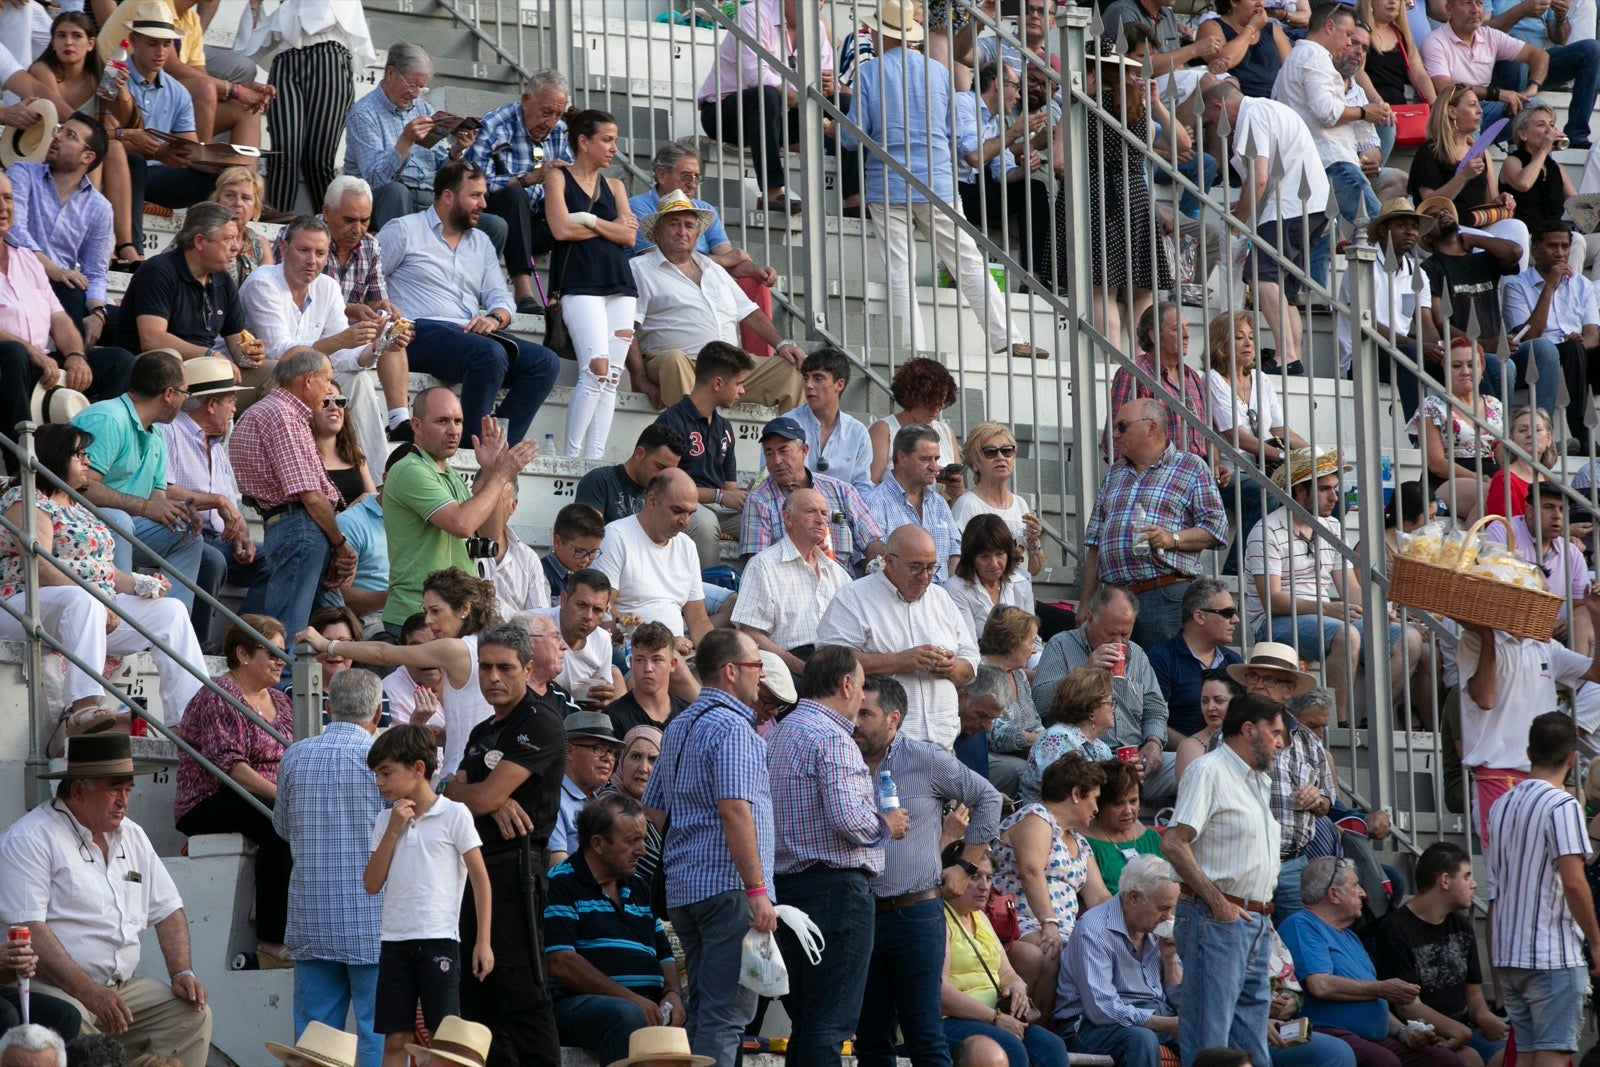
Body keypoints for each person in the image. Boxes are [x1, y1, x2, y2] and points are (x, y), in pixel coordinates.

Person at [840, 3, 1040, 360]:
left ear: (881, 32)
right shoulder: (939, 72)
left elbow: (855, 138)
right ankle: (1008, 336)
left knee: (899, 268)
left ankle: (913, 351)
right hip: (938, 180)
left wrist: (831, 125)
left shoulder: (870, 74)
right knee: (967, 260)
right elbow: (951, 131)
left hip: (887, 181)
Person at [0, 733, 212, 1067]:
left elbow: (168, 908)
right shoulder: (30, 837)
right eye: (114, 788)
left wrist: (182, 971)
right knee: (71, 1019)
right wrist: (90, 993)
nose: (124, 800)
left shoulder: (133, 834)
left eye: (128, 788)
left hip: (122, 987)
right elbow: (31, 930)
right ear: (79, 790)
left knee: (191, 1013)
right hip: (55, 986)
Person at [0, 421, 206, 744]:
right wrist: (96, 597)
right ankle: (83, 707)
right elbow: (38, 563)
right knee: (82, 602)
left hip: (88, 611)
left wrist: (141, 583)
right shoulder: (25, 496)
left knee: (171, 612)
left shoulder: (79, 505)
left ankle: (192, 720)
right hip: (27, 604)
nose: (87, 461)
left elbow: (103, 570)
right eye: (78, 454)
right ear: (54, 457)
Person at [640, 629, 777, 1067]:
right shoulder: (733, 727)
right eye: (757, 666)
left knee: (704, 1011)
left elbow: (654, 810)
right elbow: (734, 810)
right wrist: (757, 890)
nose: (762, 676)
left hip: (686, 890)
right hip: (728, 890)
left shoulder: (678, 725)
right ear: (731, 671)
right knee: (726, 1015)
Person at [854, 673, 1001, 1067]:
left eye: (866, 713)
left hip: (915, 913)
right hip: (861, 913)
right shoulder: (841, 757)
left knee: (924, 1035)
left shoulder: (925, 758)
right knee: (870, 1037)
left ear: (893, 718)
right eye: (854, 711)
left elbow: (987, 797)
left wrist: (966, 865)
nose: (856, 721)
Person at [439, 619, 568, 1067]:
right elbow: (455, 793)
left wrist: (481, 796)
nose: (493, 677)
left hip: (516, 869)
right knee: (476, 997)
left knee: (522, 991)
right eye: (486, 667)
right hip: (472, 870)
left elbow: (479, 793)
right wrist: (480, 799)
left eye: (505, 668)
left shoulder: (542, 723)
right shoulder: (480, 732)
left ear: (528, 668)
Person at [769, 646, 904, 1067]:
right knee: (829, 1025)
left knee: (808, 1023)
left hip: (787, 889)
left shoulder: (780, 732)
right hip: (836, 893)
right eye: (862, 686)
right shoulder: (833, 738)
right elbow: (851, 821)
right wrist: (887, 824)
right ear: (846, 684)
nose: (862, 696)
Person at [379, 160, 558, 443]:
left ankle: (497, 445)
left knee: (545, 363)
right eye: (475, 196)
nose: (484, 204)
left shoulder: (482, 243)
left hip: (468, 337)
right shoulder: (403, 230)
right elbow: (369, 280)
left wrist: (495, 318)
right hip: (419, 333)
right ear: (448, 196)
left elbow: (500, 297)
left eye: (484, 195)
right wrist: (384, 314)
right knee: (488, 354)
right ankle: (469, 447)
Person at [1245, 447, 1426, 726]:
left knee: (1409, 638)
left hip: (1321, 617)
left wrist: (1378, 611)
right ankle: (1338, 724)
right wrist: (1328, 608)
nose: (1335, 497)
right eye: (1324, 489)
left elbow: (1350, 589)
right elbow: (1272, 601)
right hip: (1275, 621)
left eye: (1335, 488)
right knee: (1347, 635)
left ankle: (1372, 722)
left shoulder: (1332, 527)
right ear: (1300, 492)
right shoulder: (1266, 530)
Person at [1161, 692, 1288, 1067]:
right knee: (1209, 1042)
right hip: (1216, 919)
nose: (1281, 743)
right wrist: (1219, 905)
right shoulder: (1208, 770)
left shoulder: (1257, 780)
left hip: (1254, 921)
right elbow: (1173, 842)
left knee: (1252, 1047)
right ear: (1249, 730)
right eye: (1276, 732)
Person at [273, 668, 386, 1067]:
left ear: (327, 708)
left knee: (314, 1040)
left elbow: (283, 830)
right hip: (372, 922)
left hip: (311, 916)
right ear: (377, 712)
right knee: (377, 1034)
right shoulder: (383, 763)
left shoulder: (295, 756)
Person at [363, 724, 493, 1067]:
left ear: (418, 768)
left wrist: (483, 942)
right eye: (377, 774)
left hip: (440, 939)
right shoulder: (384, 820)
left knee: (443, 1038)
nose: (380, 782)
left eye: (386, 772)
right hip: (395, 941)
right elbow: (371, 883)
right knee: (395, 1037)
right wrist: (393, 829)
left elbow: (480, 879)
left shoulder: (454, 813)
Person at [242, 214, 403, 487]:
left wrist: (377, 346)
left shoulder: (327, 287)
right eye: (303, 250)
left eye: (320, 253)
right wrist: (341, 340)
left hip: (310, 378)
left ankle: (378, 484)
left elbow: (343, 358)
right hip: (262, 378)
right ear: (284, 249)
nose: (312, 260)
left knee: (358, 380)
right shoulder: (263, 283)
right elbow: (281, 353)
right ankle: (308, 478)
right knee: (305, 380)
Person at [172, 614, 293, 966]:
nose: (279, 661)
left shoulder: (281, 701)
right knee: (278, 823)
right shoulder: (219, 695)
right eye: (270, 652)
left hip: (263, 794)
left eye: (282, 653)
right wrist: (282, 796)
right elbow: (231, 769)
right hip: (209, 798)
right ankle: (271, 941)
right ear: (242, 654)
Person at [301, 568, 498, 778]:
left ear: (464, 609)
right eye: (426, 611)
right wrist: (447, 735)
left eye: (435, 611)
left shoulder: (455, 648)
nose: (429, 620)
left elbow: (383, 654)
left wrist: (327, 645)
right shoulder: (484, 644)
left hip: (463, 773)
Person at [1484, 712, 1600, 1067]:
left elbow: (1495, 890)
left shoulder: (1501, 804)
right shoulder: (1563, 805)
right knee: (1553, 1053)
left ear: (1529, 751)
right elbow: (1574, 881)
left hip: (1509, 951)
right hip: (1551, 952)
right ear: (1571, 758)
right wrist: (1596, 942)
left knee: (1527, 1054)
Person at [626, 191, 805, 412]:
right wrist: (640, 377)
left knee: (792, 371)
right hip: (682, 364)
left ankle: (789, 444)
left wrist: (782, 344)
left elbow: (750, 312)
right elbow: (625, 327)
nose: (682, 231)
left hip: (731, 368)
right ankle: (693, 442)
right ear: (657, 232)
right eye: (674, 224)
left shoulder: (714, 268)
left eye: (689, 226)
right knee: (674, 360)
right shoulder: (639, 269)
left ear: (697, 233)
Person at [1279, 857, 1465, 1067]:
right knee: (1383, 1062)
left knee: (1445, 1061)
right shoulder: (1302, 924)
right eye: (1355, 885)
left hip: (1375, 1037)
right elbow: (1320, 985)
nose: (1363, 893)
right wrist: (1382, 988)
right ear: (1333, 893)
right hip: (1329, 1032)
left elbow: (1375, 999)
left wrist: (1403, 1031)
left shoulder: (1351, 937)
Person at [228, 349, 357, 651]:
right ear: (308, 380)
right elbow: (311, 497)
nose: (329, 390)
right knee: (289, 631)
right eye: (326, 381)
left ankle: (329, 692)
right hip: (300, 527)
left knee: (337, 626)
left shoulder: (280, 413)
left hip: (296, 528)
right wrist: (340, 544)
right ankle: (283, 690)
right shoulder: (283, 415)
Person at [1201, 80, 1329, 377]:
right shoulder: (1269, 109)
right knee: (1286, 289)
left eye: (1210, 119)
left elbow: (1258, 179)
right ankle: (1293, 357)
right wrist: (1244, 205)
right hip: (1310, 205)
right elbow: (1264, 179)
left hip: (1291, 205)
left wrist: (1237, 224)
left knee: (1259, 275)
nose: (1213, 127)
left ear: (1219, 108)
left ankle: (1286, 355)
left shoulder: (1252, 115)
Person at [544, 792, 683, 1067]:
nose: (642, 850)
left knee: (703, 1016)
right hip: (578, 1005)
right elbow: (560, 961)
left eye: (643, 839)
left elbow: (664, 955)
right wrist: (631, 999)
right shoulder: (562, 881)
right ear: (597, 843)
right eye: (632, 841)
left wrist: (673, 994)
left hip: (645, 1004)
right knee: (626, 1016)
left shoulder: (640, 886)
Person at [381, 387, 536, 633]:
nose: (453, 430)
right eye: (442, 421)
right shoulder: (409, 469)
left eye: (458, 421)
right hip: (416, 617)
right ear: (417, 425)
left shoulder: (449, 474)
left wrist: (490, 471)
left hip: (453, 617)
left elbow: (490, 532)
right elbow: (462, 524)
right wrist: (502, 475)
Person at [1079, 397, 1228, 651]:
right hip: (1115, 599)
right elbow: (1095, 542)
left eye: (1122, 426)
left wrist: (1172, 539)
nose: (1114, 434)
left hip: (1164, 595)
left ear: (1151, 427)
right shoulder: (1115, 472)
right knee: (1117, 680)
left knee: (1160, 680)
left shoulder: (1191, 467)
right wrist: (1086, 603)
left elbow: (1216, 528)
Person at [817, 526, 978, 749]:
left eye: (931, 567)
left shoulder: (941, 598)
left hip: (943, 742)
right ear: (889, 561)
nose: (924, 577)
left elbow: (971, 660)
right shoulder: (854, 597)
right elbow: (829, 661)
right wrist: (899, 661)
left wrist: (951, 667)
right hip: (881, 747)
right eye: (915, 567)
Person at [628, 139, 782, 352]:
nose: (692, 183)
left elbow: (730, 259)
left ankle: (758, 360)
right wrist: (724, 260)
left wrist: (755, 270)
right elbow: (661, 258)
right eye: (685, 176)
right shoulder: (639, 206)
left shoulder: (703, 208)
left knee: (755, 282)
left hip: (704, 279)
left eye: (696, 177)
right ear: (662, 174)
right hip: (663, 283)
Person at [544, 108, 637, 458]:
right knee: (595, 369)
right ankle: (571, 456)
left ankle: (593, 458)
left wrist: (587, 219)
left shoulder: (616, 185)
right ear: (583, 142)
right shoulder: (557, 177)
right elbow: (560, 229)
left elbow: (629, 238)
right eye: (607, 140)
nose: (614, 148)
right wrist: (606, 227)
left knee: (612, 376)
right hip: (579, 283)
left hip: (619, 284)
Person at [158, 356, 269, 646]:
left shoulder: (217, 444)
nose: (234, 409)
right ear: (211, 404)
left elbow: (229, 505)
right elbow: (161, 490)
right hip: (178, 533)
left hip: (218, 538)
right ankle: (197, 646)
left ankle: (241, 640)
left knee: (274, 558)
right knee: (212, 559)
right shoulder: (168, 430)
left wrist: (241, 533)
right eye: (231, 401)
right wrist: (217, 501)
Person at [342, 43, 503, 243]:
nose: (415, 94)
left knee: (495, 226)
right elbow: (375, 181)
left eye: (421, 87)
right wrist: (405, 142)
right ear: (390, 73)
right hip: (385, 200)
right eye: (411, 85)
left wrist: (455, 151)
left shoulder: (422, 108)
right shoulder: (364, 114)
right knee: (396, 191)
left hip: (428, 198)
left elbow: (439, 171)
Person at [992, 752, 1111, 1012]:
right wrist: (1049, 923)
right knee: (1048, 954)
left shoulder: (1081, 842)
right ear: (1076, 793)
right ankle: (1032, 1025)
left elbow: (1100, 898)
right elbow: (1031, 871)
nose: (1097, 809)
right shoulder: (1037, 817)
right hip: (1021, 921)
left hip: (1063, 930)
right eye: (1095, 799)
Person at [1031, 585, 1174, 801]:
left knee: (1194, 766)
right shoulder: (1061, 644)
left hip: (1135, 757)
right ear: (1090, 619)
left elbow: (1155, 707)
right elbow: (1040, 702)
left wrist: (1153, 742)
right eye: (1111, 633)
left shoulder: (1137, 654)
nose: (1118, 642)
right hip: (1087, 758)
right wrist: (1084, 672)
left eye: (1125, 634)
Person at [232, 0, 373, 215]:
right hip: (285, 62)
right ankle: (278, 217)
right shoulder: (285, 11)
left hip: (328, 57)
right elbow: (249, 44)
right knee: (284, 152)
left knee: (317, 159)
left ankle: (332, 224)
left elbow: (318, 15)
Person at [1374, 843, 1507, 1067]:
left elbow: (1473, 994)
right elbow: (1407, 1006)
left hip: (1464, 1028)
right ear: (1445, 881)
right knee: (1470, 1060)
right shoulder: (1395, 930)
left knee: (1513, 1057)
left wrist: (1483, 1015)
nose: (1474, 884)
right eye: (1467, 877)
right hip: (1420, 1033)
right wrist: (1460, 1032)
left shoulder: (1462, 926)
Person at [111, 202, 268, 392]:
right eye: (228, 239)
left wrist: (249, 354)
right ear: (200, 241)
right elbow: (151, 339)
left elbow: (236, 339)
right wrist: (208, 355)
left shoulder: (222, 277)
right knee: (171, 360)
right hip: (154, 372)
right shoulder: (158, 271)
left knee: (280, 372)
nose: (236, 247)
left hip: (206, 370)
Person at [1273, 7, 1384, 273]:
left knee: (1321, 236)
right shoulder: (1315, 56)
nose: (1349, 43)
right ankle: (1387, 291)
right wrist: (1364, 112)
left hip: (1313, 162)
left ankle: (1315, 296)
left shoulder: (1296, 57)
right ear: (1329, 27)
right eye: (1347, 35)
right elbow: (1327, 111)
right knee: (1380, 226)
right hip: (1333, 161)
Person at [696, 0, 833, 213]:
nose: (819, 4)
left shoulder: (817, 27)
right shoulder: (753, 14)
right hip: (726, 113)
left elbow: (824, 78)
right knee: (766, 95)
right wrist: (800, 100)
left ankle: (853, 200)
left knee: (845, 103)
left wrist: (827, 87)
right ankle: (772, 192)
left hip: (780, 113)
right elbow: (755, 75)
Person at [1078, 39, 1172, 348]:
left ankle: (1114, 363)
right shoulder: (1138, 108)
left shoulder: (1085, 106)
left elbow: (1062, 160)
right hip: (1137, 193)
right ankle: (1148, 366)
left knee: (1103, 291)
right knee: (1142, 290)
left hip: (1101, 193)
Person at [939, 851, 1070, 1067]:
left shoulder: (980, 917)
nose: (984, 886)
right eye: (974, 877)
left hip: (993, 1016)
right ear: (952, 875)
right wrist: (995, 1018)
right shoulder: (937, 918)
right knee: (1011, 1047)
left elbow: (1007, 973)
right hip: (949, 1020)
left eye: (989, 878)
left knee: (1052, 1047)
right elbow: (939, 991)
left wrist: (1018, 988)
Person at [460, 70, 573, 312]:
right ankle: (523, 292)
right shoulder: (494, 126)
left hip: (540, 220)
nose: (551, 122)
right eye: (545, 112)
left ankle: (567, 299)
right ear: (525, 100)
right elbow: (474, 184)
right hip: (500, 213)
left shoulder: (560, 131)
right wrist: (527, 179)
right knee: (514, 195)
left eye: (557, 114)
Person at [1053, 854, 1183, 1065]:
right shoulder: (1094, 930)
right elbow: (1101, 1010)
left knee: (1211, 1034)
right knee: (1140, 1039)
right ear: (1133, 897)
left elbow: (1178, 1002)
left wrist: (1169, 961)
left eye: (1171, 908)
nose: (1169, 917)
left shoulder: (1153, 928)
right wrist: (1166, 1024)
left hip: (1152, 1014)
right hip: (1089, 1025)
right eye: (1162, 908)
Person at [5, 111, 118, 341]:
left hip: (60, 290)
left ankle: (68, 364)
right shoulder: (23, 172)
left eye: (70, 136)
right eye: (60, 130)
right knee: (67, 286)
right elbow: (14, 231)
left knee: (110, 317)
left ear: (87, 157)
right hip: (16, 274)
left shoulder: (100, 208)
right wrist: (52, 270)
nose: (56, 137)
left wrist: (98, 313)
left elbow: (95, 272)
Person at [1422, 0, 1595, 149]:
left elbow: (1540, 55)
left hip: (1488, 106)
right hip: (1455, 109)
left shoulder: (1488, 35)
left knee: (1536, 110)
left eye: (1479, 3)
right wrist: (1498, 94)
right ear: (1449, 9)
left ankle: (1532, 167)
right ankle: (1469, 174)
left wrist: (1532, 87)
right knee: (1470, 108)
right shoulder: (1435, 41)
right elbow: (1447, 89)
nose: (1475, 10)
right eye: (1467, 3)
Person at [737, 415, 885, 574]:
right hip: (790, 588)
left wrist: (882, 565)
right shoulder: (759, 500)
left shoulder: (841, 491)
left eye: (783, 451)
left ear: (804, 451)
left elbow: (873, 542)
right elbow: (757, 567)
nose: (777, 460)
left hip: (843, 588)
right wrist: (802, 553)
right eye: (769, 453)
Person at [651, 341, 754, 568]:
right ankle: (711, 595)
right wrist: (719, 496)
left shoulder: (724, 427)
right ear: (718, 383)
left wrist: (748, 496)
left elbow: (729, 486)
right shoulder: (671, 421)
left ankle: (754, 589)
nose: (742, 391)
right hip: (680, 507)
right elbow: (661, 486)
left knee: (762, 519)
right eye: (738, 383)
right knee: (706, 524)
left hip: (719, 508)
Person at [733, 486, 853, 676]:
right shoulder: (763, 566)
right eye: (811, 512)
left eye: (824, 513)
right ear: (788, 518)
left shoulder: (838, 573)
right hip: (787, 666)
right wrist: (798, 667)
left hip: (835, 664)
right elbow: (751, 633)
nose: (821, 520)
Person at [1338, 197, 1444, 408]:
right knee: (1412, 355)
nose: (1410, 232)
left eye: (1414, 227)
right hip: (1363, 354)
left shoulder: (1418, 273)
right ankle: (1419, 435)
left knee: (1465, 364)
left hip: (1404, 352)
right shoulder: (1361, 266)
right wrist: (1419, 346)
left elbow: (1426, 324)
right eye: (1401, 226)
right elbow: (1367, 325)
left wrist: (1438, 349)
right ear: (1383, 230)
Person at [1407, 85, 1530, 267]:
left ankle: (1512, 292)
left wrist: (1501, 200)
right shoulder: (1431, 151)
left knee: (1517, 228)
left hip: (1475, 222)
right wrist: (1462, 176)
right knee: (1486, 242)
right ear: (1452, 112)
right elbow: (1429, 205)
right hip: (1441, 229)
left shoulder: (1480, 150)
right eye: (1472, 105)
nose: (1480, 111)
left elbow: (1490, 199)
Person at [955, 60, 1054, 284]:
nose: (1019, 96)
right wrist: (1015, 131)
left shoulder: (996, 120)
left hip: (977, 191)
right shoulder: (963, 103)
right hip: (954, 192)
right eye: (1016, 87)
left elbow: (1005, 174)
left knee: (1034, 187)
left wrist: (1024, 169)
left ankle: (1034, 278)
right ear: (999, 84)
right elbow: (975, 157)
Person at [1502, 221, 1600, 448]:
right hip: (1539, 355)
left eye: (1565, 247)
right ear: (1534, 249)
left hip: (1577, 353)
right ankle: (1583, 438)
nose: (1560, 253)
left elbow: (1593, 333)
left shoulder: (1582, 284)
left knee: (1577, 349)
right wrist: (1549, 287)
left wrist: (1580, 344)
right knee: (1568, 350)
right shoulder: (1516, 286)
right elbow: (1529, 336)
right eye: (1552, 246)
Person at [594, 469, 712, 641]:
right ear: (652, 500)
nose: (685, 522)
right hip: (629, 650)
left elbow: (699, 619)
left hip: (674, 653)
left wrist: (715, 657)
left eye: (690, 513)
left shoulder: (687, 546)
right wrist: (664, 644)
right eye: (677, 510)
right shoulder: (616, 537)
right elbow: (602, 613)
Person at [1481, 481, 1593, 652]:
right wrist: (1540, 622)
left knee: (1585, 614)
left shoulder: (1571, 552)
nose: (1557, 515)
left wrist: (1568, 623)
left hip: (1558, 638)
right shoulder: (1504, 530)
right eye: (1548, 507)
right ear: (1529, 510)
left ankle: (1578, 677)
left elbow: (1579, 603)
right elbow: (1495, 590)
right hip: (1510, 629)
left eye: (1562, 509)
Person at [1417, 195, 1524, 367]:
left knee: (1543, 349)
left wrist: (1475, 239)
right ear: (1426, 237)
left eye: (1445, 211)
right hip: (1465, 355)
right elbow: (1439, 322)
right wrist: (1483, 345)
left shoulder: (1483, 259)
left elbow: (1515, 252)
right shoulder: (1429, 269)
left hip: (1499, 347)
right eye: (1434, 216)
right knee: (1505, 367)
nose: (1442, 215)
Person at [1102, 305, 1212, 467]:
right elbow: (1116, 438)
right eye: (1177, 329)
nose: (1187, 335)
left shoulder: (1193, 377)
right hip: (1159, 473)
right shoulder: (1134, 373)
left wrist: (1215, 466)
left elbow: (1207, 432)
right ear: (1154, 336)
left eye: (1186, 328)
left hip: (1199, 471)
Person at [1407, 338, 1500, 520]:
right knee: (1494, 494)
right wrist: (1480, 478)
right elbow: (1436, 464)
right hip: (1447, 478)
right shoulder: (1432, 405)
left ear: (1482, 369)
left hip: (1491, 474)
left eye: (1472, 365)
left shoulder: (1494, 404)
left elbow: (1501, 453)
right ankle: (1472, 546)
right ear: (1445, 370)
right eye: (1457, 365)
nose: (1465, 372)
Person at [1149, 578, 1245, 740]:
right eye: (1227, 613)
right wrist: (1194, 749)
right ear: (1200, 617)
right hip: (1178, 756)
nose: (1236, 619)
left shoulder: (1233, 661)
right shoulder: (1161, 659)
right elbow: (1153, 720)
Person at [866, 424, 963, 582]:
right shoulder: (876, 502)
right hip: (897, 599)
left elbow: (955, 554)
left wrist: (948, 596)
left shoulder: (939, 503)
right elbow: (877, 564)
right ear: (902, 458)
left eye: (936, 459)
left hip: (941, 599)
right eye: (925, 459)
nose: (935, 467)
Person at [784, 348, 874, 494]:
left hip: (843, 513)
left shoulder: (858, 432)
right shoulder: (787, 425)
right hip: (795, 511)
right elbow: (771, 480)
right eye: (806, 378)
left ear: (840, 384)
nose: (808, 385)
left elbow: (862, 487)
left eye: (818, 379)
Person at [1021, 667, 1116, 803]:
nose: (1113, 709)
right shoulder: (1056, 739)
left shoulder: (1101, 748)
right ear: (1091, 710)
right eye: (1109, 703)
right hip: (1048, 819)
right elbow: (1057, 796)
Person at [867, 358, 963, 489]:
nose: (935, 411)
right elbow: (868, 486)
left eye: (941, 404)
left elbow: (959, 488)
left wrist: (955, 488)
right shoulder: (884, 430)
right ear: (911, 397)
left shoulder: (946, 432)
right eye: (929, 403)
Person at [1359, 0, 1436, 162]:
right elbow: (1359, 73)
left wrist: (1436, 107)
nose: (1393, 2)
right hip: (1372, 111)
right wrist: (1379, 103)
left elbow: (1420, 75)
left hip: (1399, 113)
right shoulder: (1361, 32)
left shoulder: (1401, 36)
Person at [982, 607, 1044, 796]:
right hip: (995, 757)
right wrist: (1035, 741)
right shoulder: (982, 673)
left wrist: (1049, 740)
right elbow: (992, 734)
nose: (1034, 650)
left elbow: (1035, 722)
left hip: (1027, 751)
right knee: (1039, 773)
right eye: (1031, 642)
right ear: (1011, 643)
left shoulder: (1019, 674)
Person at [946, 517, 1033, 645]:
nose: (994, 563)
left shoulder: (1020, 583)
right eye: (984, 556)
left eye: (1000, 553)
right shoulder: (956, 589)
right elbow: (968, 646)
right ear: (971, 558)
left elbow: (1032, 639)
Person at [1084, 760, 1166, 896]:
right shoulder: (1085, 845)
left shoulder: (1151, 838)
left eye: (1133, 801)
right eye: (1117, 804)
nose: (1128, 810)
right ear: (1099, 805)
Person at [574, 425, 685, 524]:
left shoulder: (662, 492)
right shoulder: (600, 480)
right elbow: (587, 533)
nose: (663, 476)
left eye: (669, 471)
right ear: (639, 454)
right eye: (660, 467)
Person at [597, 726, 666, 884]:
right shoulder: (609, 803)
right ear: (621, 761)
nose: (643, 768)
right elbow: (647, 864)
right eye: (635, 757)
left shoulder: (663, 807)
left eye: (653, 760)